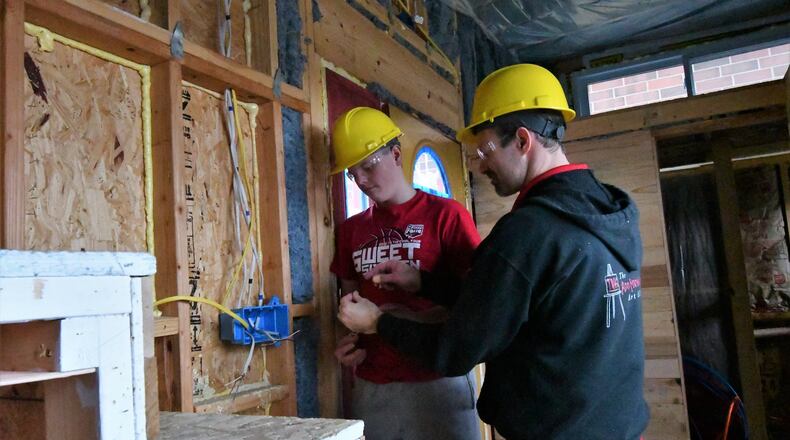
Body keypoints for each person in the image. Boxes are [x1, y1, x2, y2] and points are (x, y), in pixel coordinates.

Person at [338, 64, 650, 440]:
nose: (480, 164)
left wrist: (377, 323)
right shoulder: (606, 213)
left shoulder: (529, 233)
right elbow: (506, 301)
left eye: (485, 149)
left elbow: (458, 349)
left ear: (522, 141)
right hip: (615, 426)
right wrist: (425, 283)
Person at [329, 106, 482, 440]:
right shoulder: (351, 230)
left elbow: (477, 305)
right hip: (375, 383)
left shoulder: (447, 216)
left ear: (396, 155)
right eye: (353, 174)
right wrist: (348, 340)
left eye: (369, 166)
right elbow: (348, 301)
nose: (362, 181)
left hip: (438, 378)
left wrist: (399, 318)